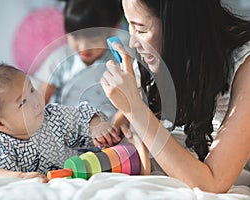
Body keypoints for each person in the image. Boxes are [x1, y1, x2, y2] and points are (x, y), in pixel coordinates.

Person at [101, 0, 250, 193]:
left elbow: (212, 184)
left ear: (181, 27)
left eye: (141, 29)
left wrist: (135, 108)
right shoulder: (157, 59)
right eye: (128, 24)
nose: (132, 42)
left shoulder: (243, 65)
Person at [0, 63, 121, 182]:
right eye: (23, 102)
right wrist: (21, 176)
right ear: (0, 125)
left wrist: (96, 125)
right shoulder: (3, 144)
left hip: (85, 164)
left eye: (31, 89)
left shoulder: (52, 115)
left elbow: (84, 114)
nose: (36, 101)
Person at [34, 0, 123, 110]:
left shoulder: (118, 62)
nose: (83, 47)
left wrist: (115, 125)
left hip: (106, 124)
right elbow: (40, 100)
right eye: (75, 38)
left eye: (94, 40)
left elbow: (129, 104)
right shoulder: (59, 59)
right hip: (65, 124)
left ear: (113, 29)